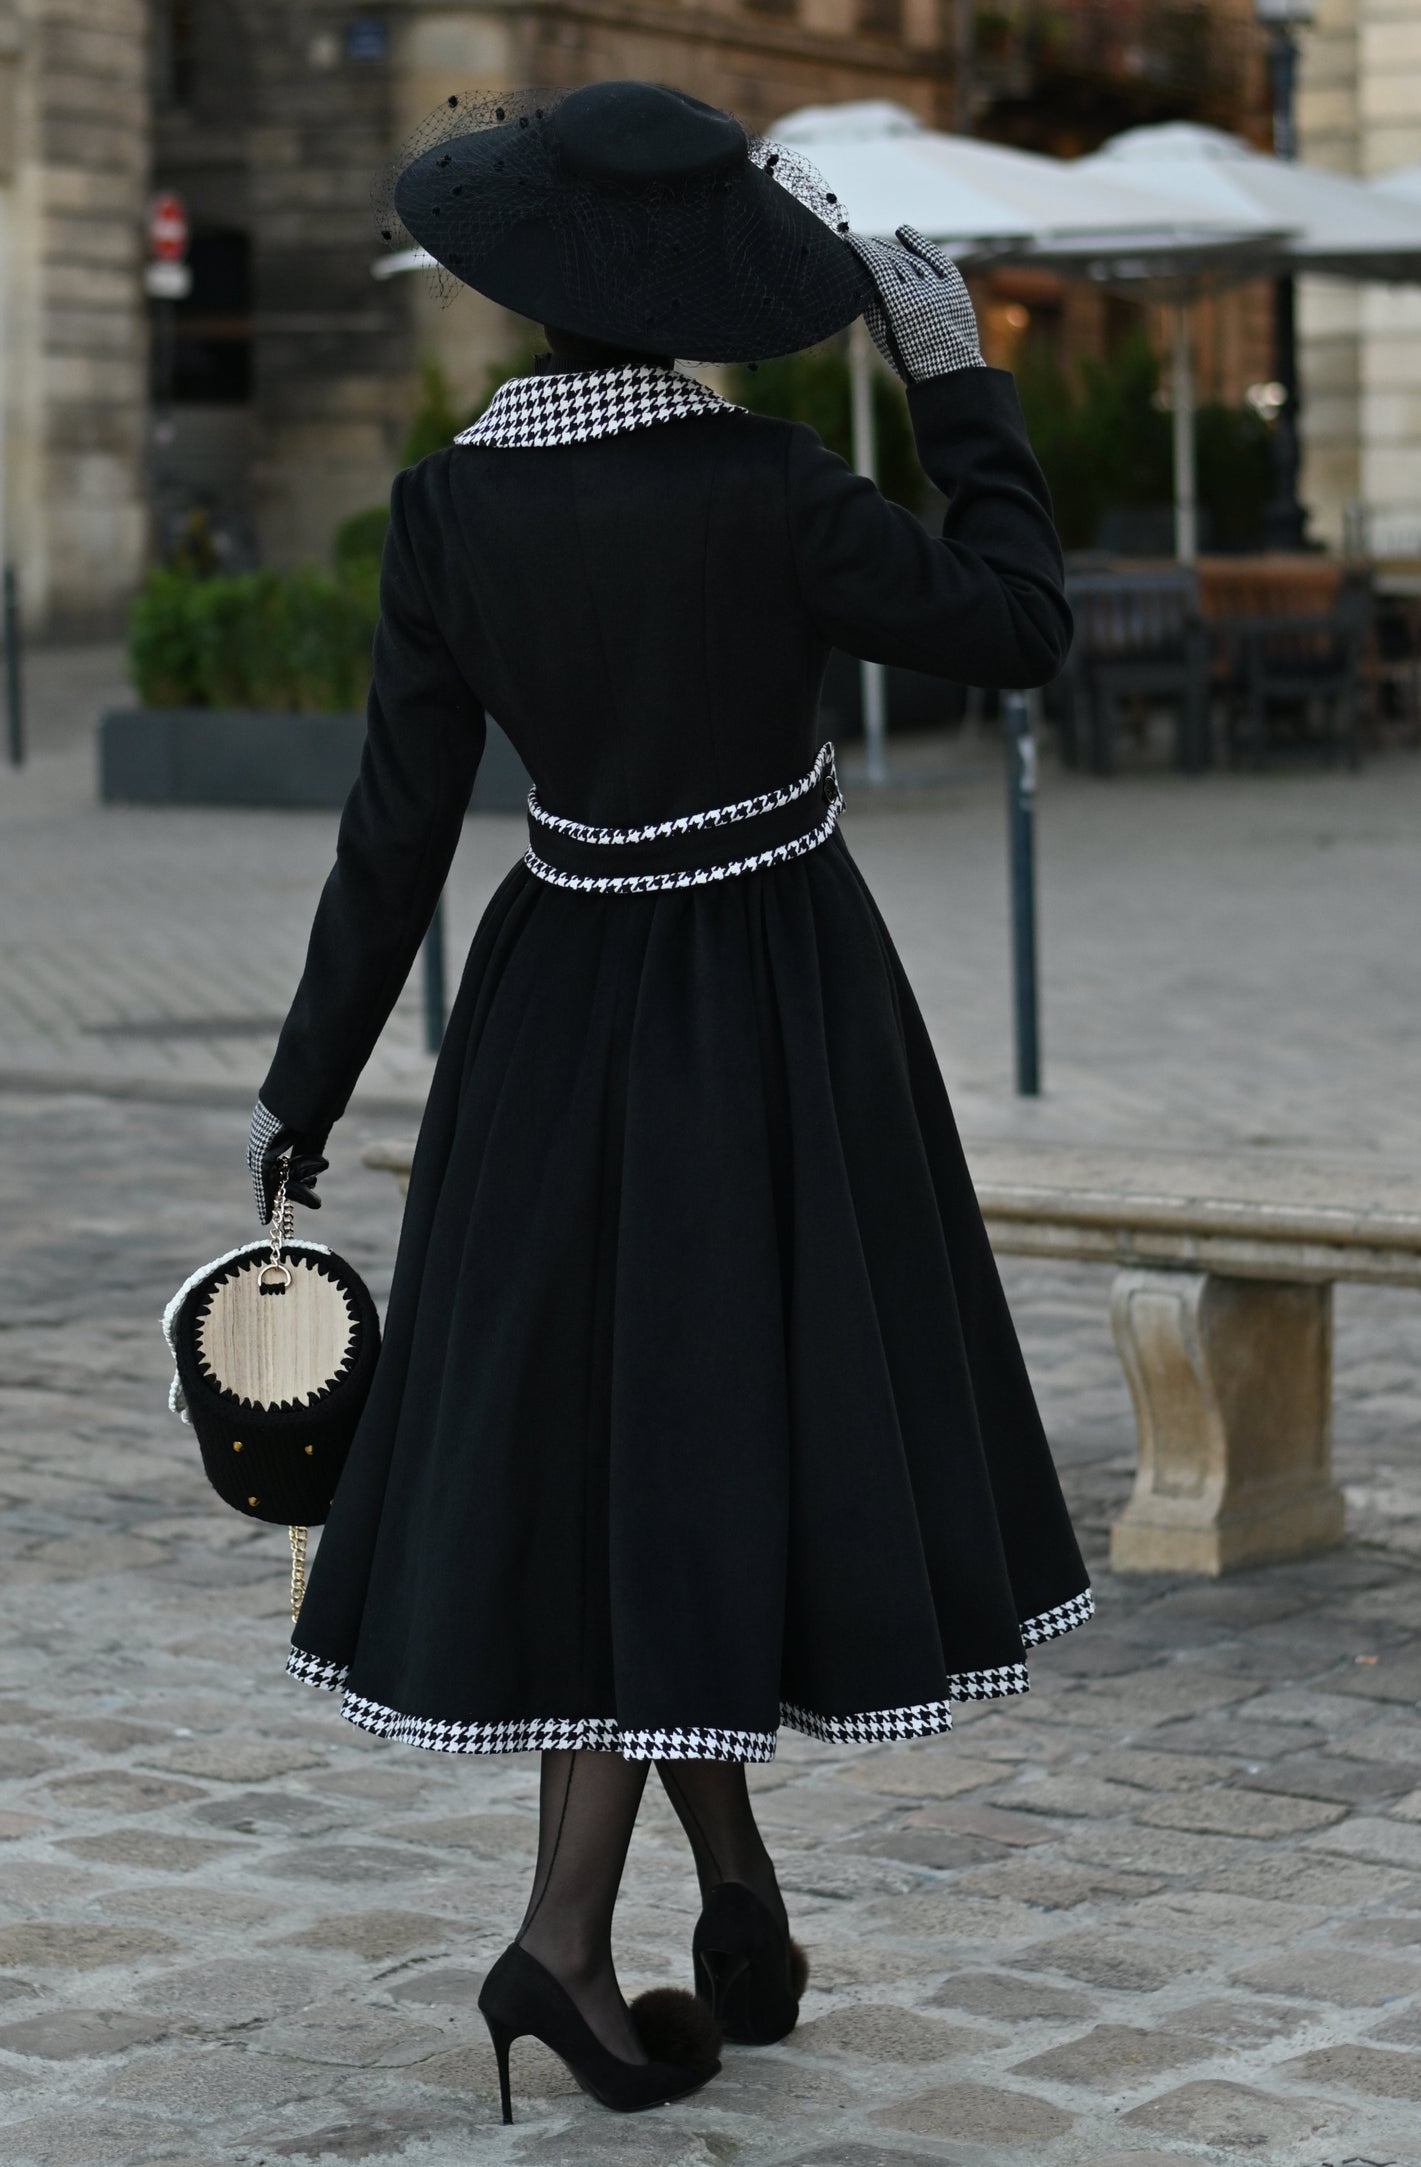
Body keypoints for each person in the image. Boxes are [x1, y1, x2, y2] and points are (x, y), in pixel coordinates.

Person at [247, 80, 1092, 2123]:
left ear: (531, 283)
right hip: (769, 1014)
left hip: (551, 1017)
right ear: (713, 290)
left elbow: (395, 833)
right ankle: (557, 1942)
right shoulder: (773, 485)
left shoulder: (454, 509)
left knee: (639, 1458)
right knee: (699, 1445)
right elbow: (1020, 633)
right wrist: (957, 375)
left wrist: (303, 1094)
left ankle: (730, 1893)